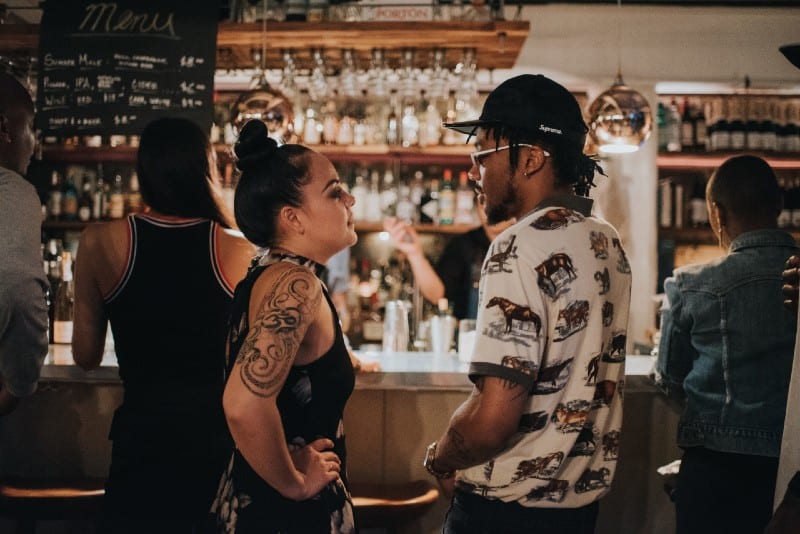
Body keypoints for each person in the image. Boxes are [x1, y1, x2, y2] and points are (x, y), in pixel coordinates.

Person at [421, 74, 632, 534]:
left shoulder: (518, 246)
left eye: (482, 155)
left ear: (532, 159)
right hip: (576, 514)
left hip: (502, 515)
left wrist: (440, 456)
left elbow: (493, 420)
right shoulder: (607, 241)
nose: (473, 172)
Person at [72, 117, 254, 532]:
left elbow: (84, 355)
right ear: (205, 169)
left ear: (144, 171)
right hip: (214, 441)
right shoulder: (237, 247)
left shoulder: (99, 241)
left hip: (141, 439)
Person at [210, 119, 358, 533]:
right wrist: (294, 484)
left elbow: (288, 373)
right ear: (294, 219)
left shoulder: (268, 272)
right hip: (286, 515)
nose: (350, 199)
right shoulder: (296, 284)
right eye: (334, 192)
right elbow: (243, 403)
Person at [654, 155, 798, 534]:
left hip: (714, 467)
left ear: (716, 212)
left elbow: (669, 378)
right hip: (791, 470)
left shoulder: (689, 284)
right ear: (780, 205)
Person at [0, 72, 48, 417]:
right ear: (5, 129)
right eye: (30, 127)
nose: (34, 144)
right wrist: (17, 386)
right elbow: (18, 291)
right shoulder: (12, 191)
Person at [383, 198, 514, 320]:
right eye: (484, 203)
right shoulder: (464, 244)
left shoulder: (529, 244)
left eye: (499, 204)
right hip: (469, 339)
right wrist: (414, 253)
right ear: (477, 208)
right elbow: (437, 294)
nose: (491, 211)